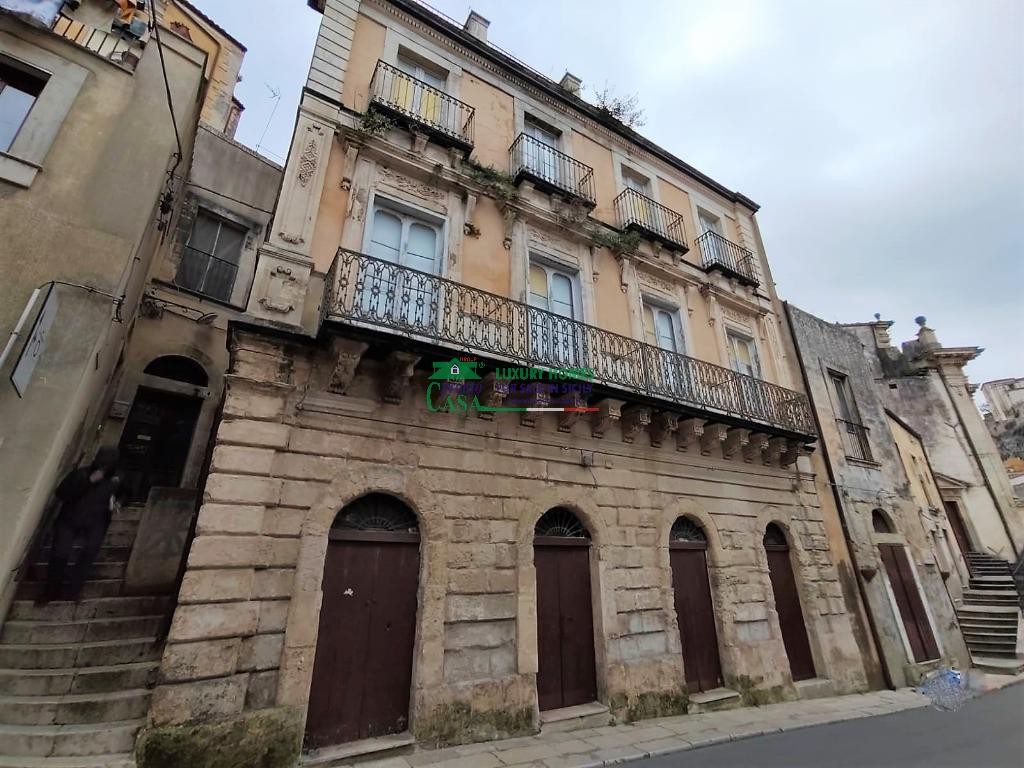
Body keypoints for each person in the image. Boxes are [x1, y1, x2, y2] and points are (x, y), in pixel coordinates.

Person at [39, 447, 123, 603]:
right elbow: (62, 493)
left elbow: (125, 492)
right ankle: (51, 590)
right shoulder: (81, 474)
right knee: (60, 553)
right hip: (70, 519)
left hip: (97, 521)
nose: (104, 467)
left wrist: (118, 502)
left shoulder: (117, 478)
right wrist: (89, 481)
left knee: (89, 553)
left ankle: (73, 590)